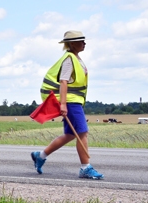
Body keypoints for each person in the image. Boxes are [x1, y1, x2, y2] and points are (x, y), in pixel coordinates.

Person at [31, 30, 104, 180]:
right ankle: (85, 168)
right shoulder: (69, 59)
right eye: (80, 41)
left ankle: (40, 156)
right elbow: (63, 81)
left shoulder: (77, 58)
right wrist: (63, 104)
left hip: (74, 101)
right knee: (82, 132)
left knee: (71, 134)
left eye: (84, 40)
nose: (84, 43)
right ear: (71, 43)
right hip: (70, 102)